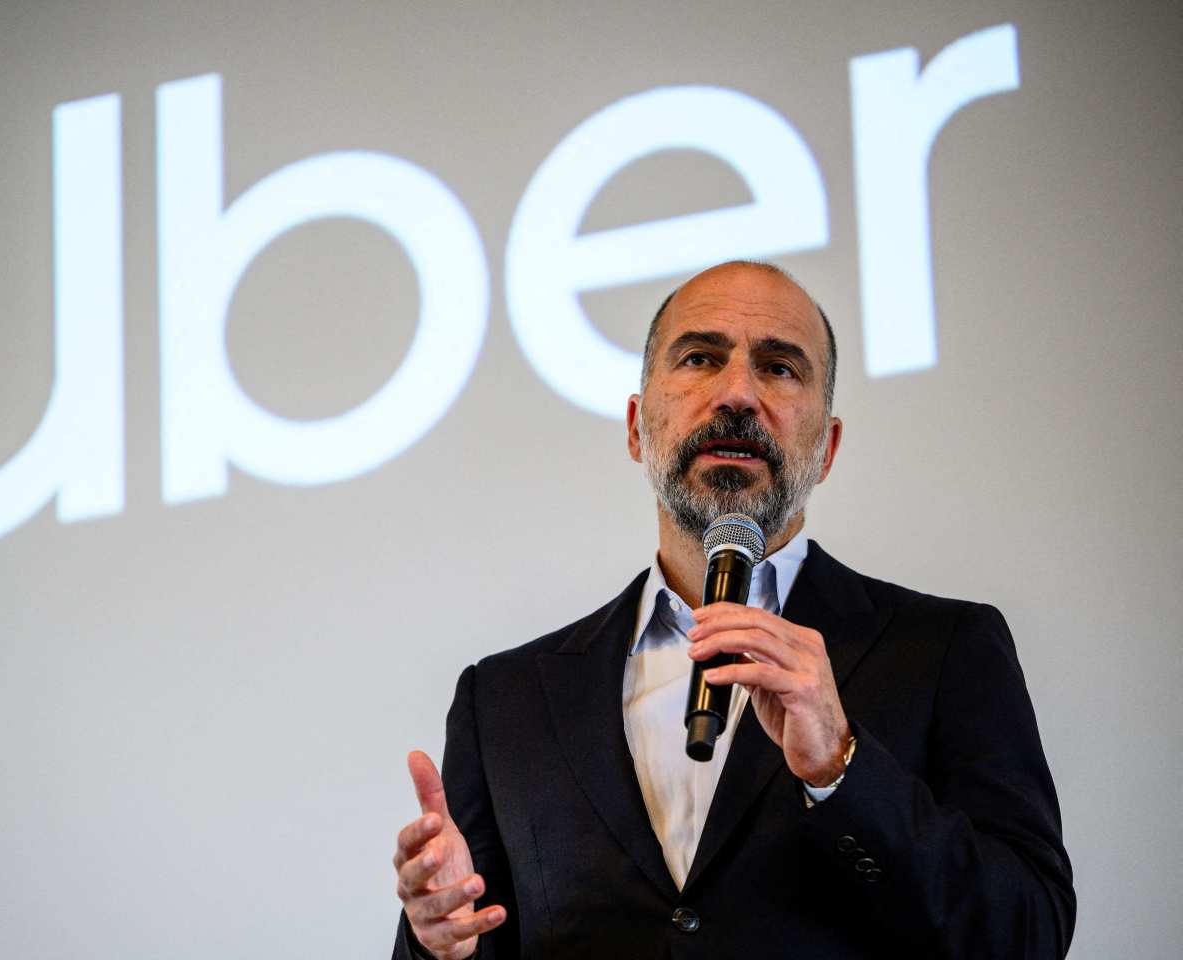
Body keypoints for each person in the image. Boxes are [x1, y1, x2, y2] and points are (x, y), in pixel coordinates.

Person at [390, 261, 1074, 959]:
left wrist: (842, 769)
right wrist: (437, 944)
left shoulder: (945, 648)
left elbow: (1029, 934)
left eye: (779, 368)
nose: (738, 394)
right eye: (699, 359)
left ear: (827, 448)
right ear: (637, 428)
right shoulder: (504, 699)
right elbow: (474, 935)